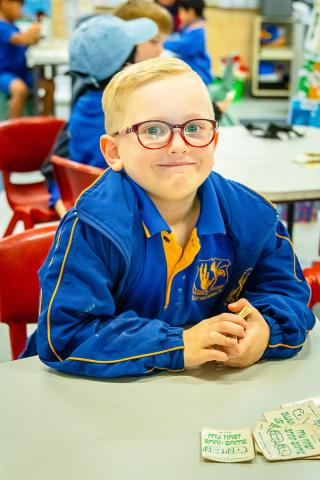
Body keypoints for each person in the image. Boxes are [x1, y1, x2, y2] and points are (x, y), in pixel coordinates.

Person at [23, 57, 315, 378]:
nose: (178, 146)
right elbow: (66, 336)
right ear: (114, 152)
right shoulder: (93, 228)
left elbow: (288, 294)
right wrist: (178, 344)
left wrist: (266, 331)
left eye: (194, 127)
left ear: (214, 140)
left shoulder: (254, 217)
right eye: (153, 130)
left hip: (205, 395)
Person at [42, 12, 166, 218]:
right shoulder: (130, 116)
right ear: (127, 65)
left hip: (89, 202)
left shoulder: (82, 105)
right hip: (122, 213)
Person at [0, 0, 40, 117]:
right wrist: (34, 28)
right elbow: (19, 39)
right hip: (4, 73)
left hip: (20, 72)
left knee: (48, 84)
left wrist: (30, 40)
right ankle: (13, 128)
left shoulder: (13, 26)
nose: (21, 9)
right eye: (18, 4)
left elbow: (22, 43)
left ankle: (46, 123)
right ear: (4, 4)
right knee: (19, 90)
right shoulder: (2, 27)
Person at [163, 0, 213, 85]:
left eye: (181, 12)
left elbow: (182, 46)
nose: (179, 15)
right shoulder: (189, 28)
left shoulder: (198, 32)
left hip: (200, 75)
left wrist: (161, 43)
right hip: (192, 73)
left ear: (191, 12)